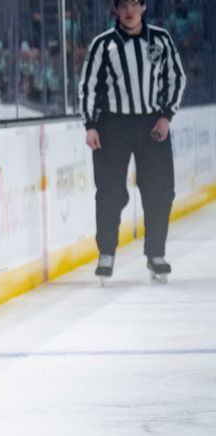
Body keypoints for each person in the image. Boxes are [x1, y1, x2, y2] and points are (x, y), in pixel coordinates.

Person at [79, 0, 186, 283]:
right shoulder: (103, 44)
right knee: (109, 191)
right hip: (113, 125)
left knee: (161, 190)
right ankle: (106, 253)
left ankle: (156, 253)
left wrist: (166, 116)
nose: (130, 11)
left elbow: (176, 78)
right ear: (116, 9)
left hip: (152, 123)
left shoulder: (161, 39)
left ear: (144, 7)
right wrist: (90, 125)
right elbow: (89, 85)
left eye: (135, 4)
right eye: (124, 4)